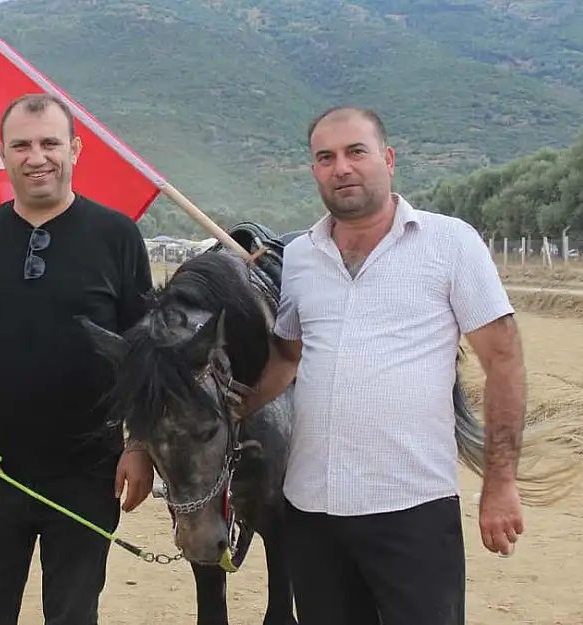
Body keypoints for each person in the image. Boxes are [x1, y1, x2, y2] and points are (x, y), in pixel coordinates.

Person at [239, 106, 525, 625]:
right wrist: (227, 418)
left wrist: (501, 481)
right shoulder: (300, 256)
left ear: (388, 160)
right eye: (325, 157)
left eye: (356, 152)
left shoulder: (450, 243)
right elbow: (287, 356)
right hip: (312, 513)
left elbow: (503, 359)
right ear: (314, 171)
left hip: (411, 510)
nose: (341, 167)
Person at [0, 93, 155, 625]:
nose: (36, 156)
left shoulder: (117, 236)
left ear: (74, 149)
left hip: (88, 470)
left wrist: (139, 445)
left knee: (74, 615)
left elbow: (144, 355)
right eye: (21, 145)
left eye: (50, 142)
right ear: (2, 154)